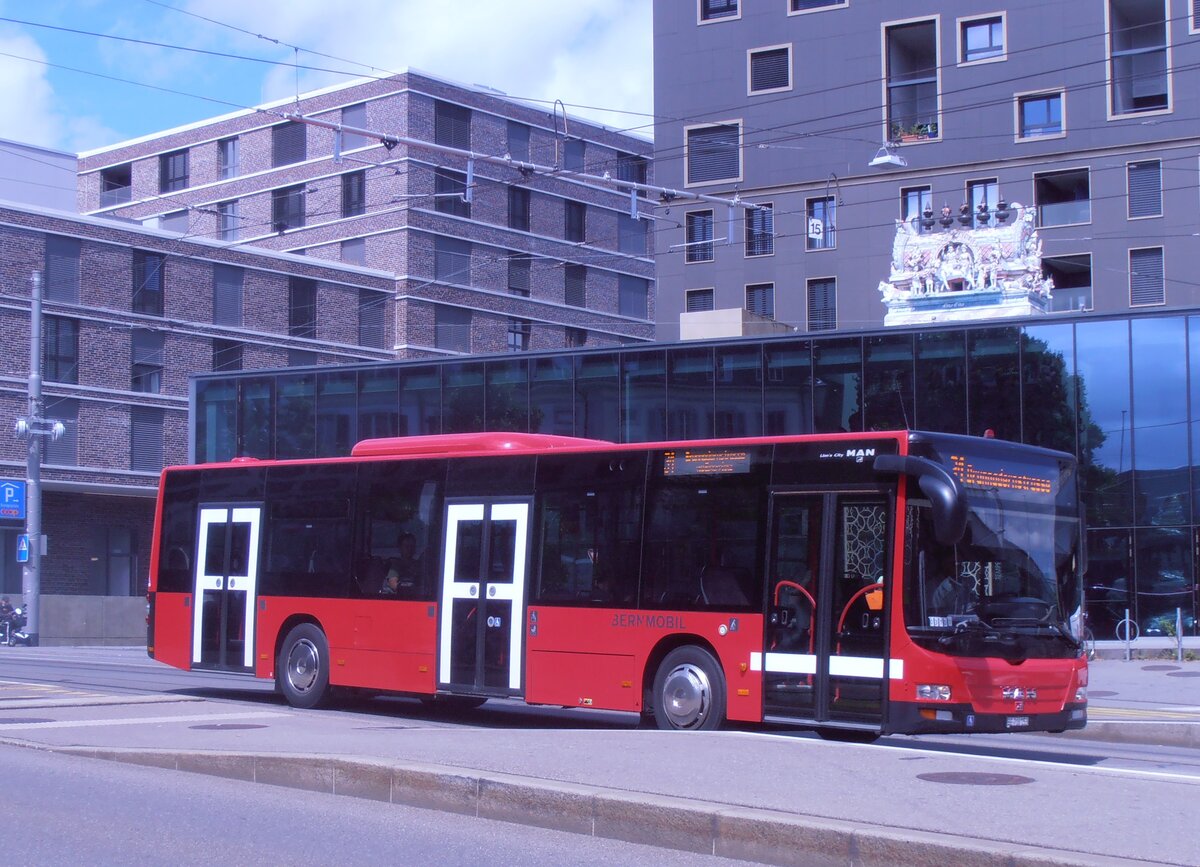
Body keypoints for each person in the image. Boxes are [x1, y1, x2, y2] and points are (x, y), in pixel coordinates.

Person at [930, 549, 976, 615]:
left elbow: (973, 603)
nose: (958, 567)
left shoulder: (966, 583)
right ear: (946, 565)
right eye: (954, 564)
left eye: (960, 564)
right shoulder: (942, 591)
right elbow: (940, 614)